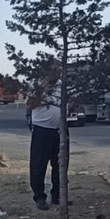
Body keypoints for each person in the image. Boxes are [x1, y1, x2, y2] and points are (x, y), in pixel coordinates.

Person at [27, 70, 67, 210]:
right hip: (41, 129)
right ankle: (39, 197)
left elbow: (70, 100)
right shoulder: (37, 84)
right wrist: (42, 88)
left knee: (60, 164)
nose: (56, 73)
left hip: (59, 129)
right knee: (39, 165)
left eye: (58, 70)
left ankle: (58, 196)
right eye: (53, 69)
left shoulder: (62, 85)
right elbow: (30, 104)